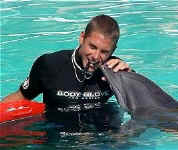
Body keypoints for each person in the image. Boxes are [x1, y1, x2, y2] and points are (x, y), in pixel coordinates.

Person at [2, 15, 131, 131]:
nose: (96, 56)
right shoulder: (50, 65)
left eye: (104, 52)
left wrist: (129, 77)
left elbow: (141, 106)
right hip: (57, 132)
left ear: (113, 50)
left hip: (100, 136)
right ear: (82, 38)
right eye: (92, 47)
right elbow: (22, 96)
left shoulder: (116, 72)